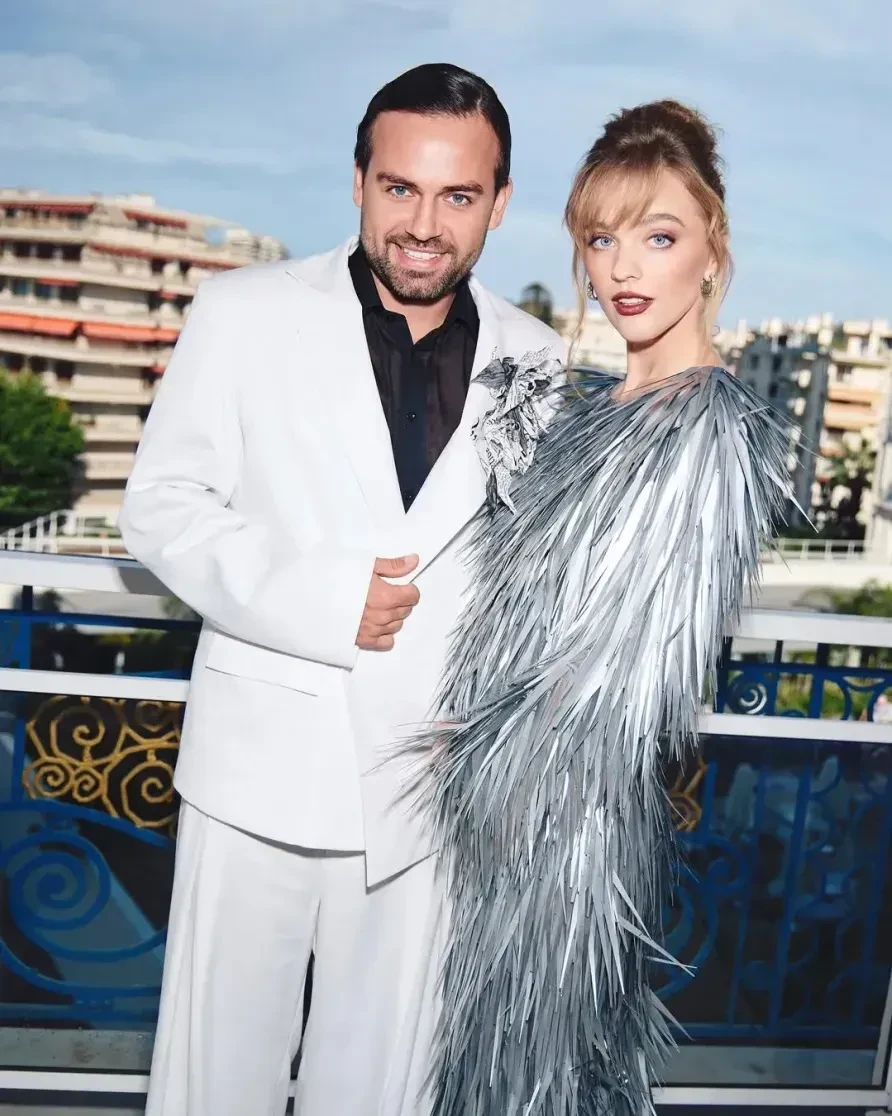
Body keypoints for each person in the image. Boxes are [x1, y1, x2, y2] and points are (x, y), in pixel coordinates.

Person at [118, 64, 565, 1116]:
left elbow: (525, 568)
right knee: (214, 1080)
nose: (424, 225)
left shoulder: (540, 359)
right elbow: (163, 506)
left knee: (381, 1090)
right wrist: (325, 603)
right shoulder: (242, 311)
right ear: (358, 181)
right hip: (257, 772)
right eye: (399, 187)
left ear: (500, 204)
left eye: (458, 196)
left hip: (430, 786)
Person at [415, 101, 796, 1115]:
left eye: (658, 237)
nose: (623, 269)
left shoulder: (707, 429)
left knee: (533, 1078)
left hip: (567, 822)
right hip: (504, 810)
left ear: (711, 251)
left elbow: (626, 677)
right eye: (600, 239)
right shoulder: (590, 413)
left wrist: (480, 751)